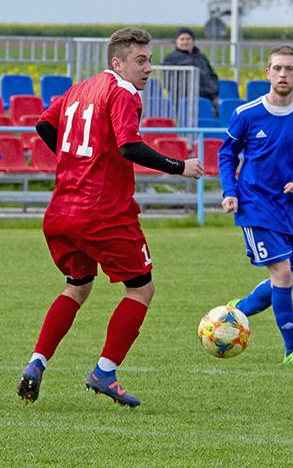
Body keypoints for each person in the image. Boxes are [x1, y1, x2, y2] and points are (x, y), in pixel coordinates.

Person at [16, 28, 203, 408]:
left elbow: (43, 125)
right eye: (141, 60)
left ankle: (37, 361)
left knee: (78, 286)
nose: (149, 68)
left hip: (61, 212)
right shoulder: (123, 92)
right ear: (117, 62)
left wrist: (77, 162)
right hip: (103, 213)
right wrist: (179, 166)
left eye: (149, 59)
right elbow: (130, 145)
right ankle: (104, 371)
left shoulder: (78, 90)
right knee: (141, 289)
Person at [218, 46, 293, 364]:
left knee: (285, 281)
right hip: (255, 204)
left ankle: (237, 311)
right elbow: (227, 154)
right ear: (267, 73)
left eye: (289, 69)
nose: (283, 74)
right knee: (282, 275)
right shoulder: (247, 114)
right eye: (277, 68)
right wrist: (230, 191)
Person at [162, 27, 220, 116]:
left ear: (193, 41)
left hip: (210, 96)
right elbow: (168, 82)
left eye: (188, 39)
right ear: (177, 42)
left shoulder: (201, 57)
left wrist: (214, 89)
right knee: (207, 110)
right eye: (182, 39)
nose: (185, 42)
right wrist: (187, 91)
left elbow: (212, 75)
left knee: (227, 108)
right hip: (186, 98)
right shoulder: (171, 58)